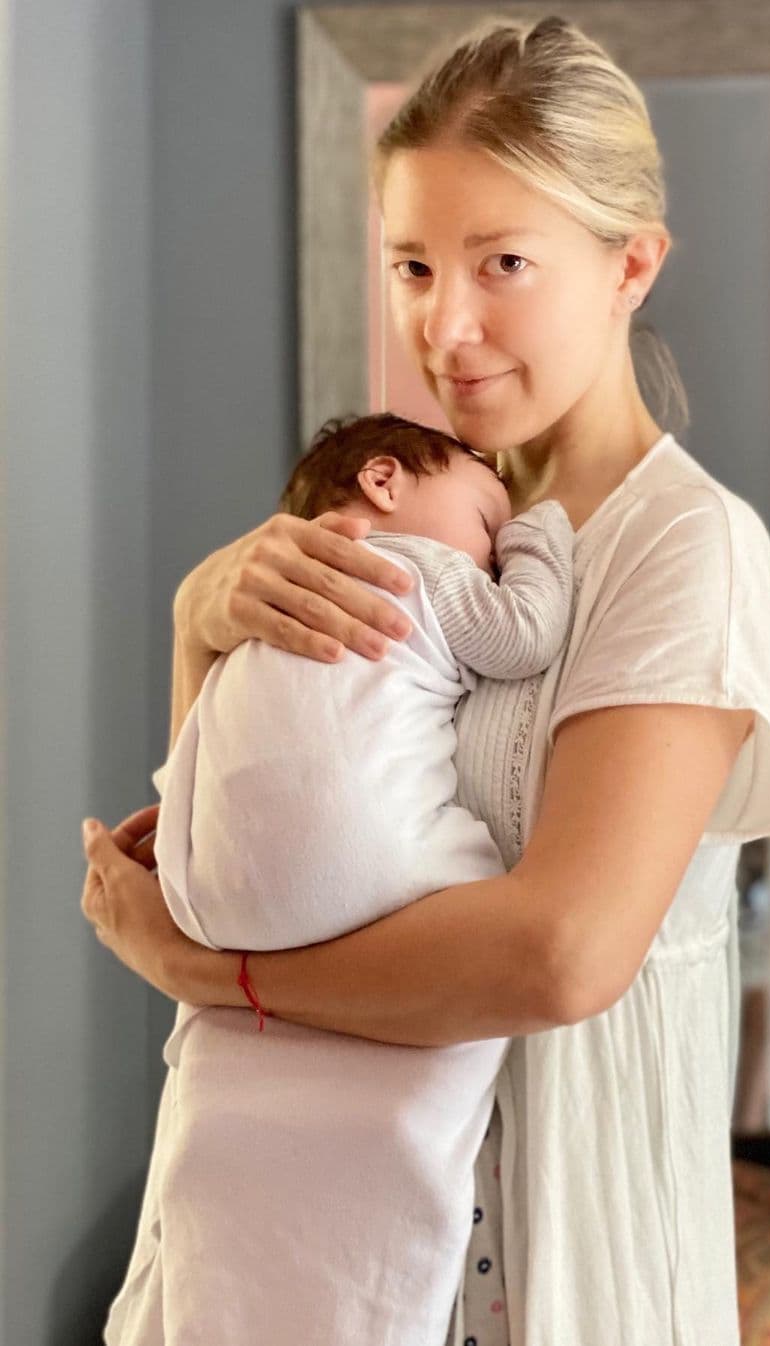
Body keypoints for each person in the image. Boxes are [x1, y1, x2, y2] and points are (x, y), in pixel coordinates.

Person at [81, 14, 770, 1346]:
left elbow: (559, 951)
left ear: (629, 263)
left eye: (503, 262)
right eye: (412, 263)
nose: (443, 322)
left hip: (548, 1272)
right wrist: (199, 619)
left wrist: (214, 971)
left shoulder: (682, 548)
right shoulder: (411, 526)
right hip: (320, 1243)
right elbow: (254, 830)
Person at [106, 411, 573, 1343]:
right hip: (369, 880)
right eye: (486, 518)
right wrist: (543, 534)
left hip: (215, 904)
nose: (490, 547)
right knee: (479, 870)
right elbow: (524, 637)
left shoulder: (254, 620)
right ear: (387, 485)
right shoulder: (410, 567)